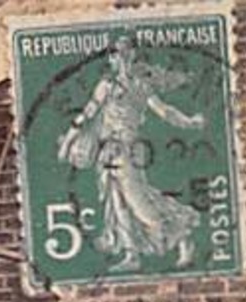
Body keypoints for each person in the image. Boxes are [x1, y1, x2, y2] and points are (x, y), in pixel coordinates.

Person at [56, 36, 206, 273]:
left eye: (125, 53)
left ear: (133, 55)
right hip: (106, 152)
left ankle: (182, 237)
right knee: (117, 204)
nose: (120, 58)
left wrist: (190, 122)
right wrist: (68, 142)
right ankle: (131, 254)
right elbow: (87, 113)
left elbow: (165, 111)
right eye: (116, 54)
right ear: (113, 58)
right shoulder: (107, 85)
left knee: (139, 202)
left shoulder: (140, 86)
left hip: (127, 150)